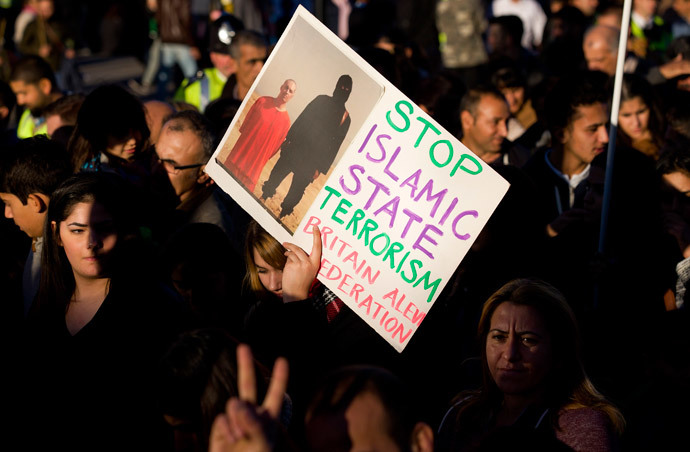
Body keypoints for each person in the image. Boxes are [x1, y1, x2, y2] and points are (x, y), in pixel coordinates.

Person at [22, 172, 187, 450]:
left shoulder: (153, 309)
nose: (91, 242)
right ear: (56, 234)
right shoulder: (45, 308)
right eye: (77, 230)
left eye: (104, 228)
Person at [436, 278, 625, 451]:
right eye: (499, 337)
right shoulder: (461, 416)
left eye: (528, 340)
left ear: (559, 352)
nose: (510, 354)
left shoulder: (580, 427)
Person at [155, 109, 249, 254]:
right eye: (154, 155)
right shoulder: (161, 198)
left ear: (203, 174)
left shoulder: (209, 230)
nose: (157, 168)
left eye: (170, 164)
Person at [260, 75, 353, 220]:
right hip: (296, 148)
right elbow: (303, 118)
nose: (343, 90)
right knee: (276, 174)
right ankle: (263, 197)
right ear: (336, 86)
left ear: (350, 92)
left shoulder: (345, 118)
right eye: (341, 86)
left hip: (312, 162)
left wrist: (320, 169)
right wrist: (288, 139)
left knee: (296, 192)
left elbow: (335, 146)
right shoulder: (321, 100)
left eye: (346, 89)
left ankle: (282, 216)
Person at [0, 136, 72, 316]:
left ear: (34, 202)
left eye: (8, 203)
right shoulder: (39, 239)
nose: (7, 213)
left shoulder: (67, 260)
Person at [223, 79, 296, 192]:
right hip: (235, 160)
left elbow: (273, 151)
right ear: (281, 87)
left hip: (251, 176)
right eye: (286, 87)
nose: (287, 91)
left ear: (292, 96)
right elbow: (244, 127)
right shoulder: (262, 101)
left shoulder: (286, 123)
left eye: (290, 91)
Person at [68, 84, 152, 179]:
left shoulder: (143, 163)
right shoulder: (98, 180)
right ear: (98, 135)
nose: (132, 141)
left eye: (136, 129)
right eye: (121, 134)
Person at [460, 85, 531, 167]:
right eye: (495, 122)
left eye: (507, 121)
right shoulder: (443, 152)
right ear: (467, 120)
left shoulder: (523, 163)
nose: (504, 132)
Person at [9, 55, 62, 138]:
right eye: (16, 94)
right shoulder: (27, 116)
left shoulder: (73, 118)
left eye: (23, 93)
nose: (20, 101)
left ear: (44, 86)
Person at [618, 74, 665, 159]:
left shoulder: (671, 135)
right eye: (626, 115)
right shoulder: (609, 149)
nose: (636, 123)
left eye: (641, 112)